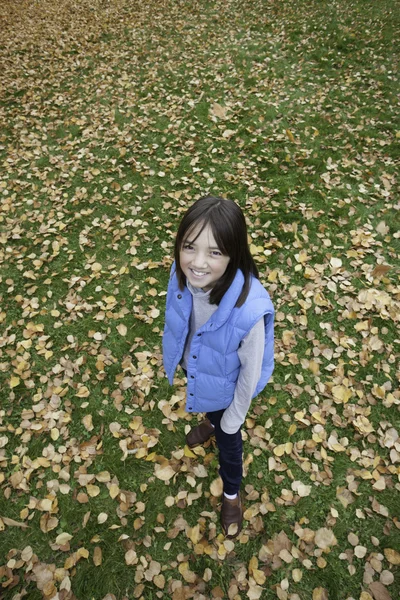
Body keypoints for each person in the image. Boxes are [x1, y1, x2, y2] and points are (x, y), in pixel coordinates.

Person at [163, 195, 274, 537]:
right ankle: (211, 421)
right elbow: (179, 319)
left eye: (214, 252)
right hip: (199, 370)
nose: (197, 263)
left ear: (233, 253)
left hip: (228, 391)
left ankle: (231, 494)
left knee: (230, 442)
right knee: (214, 414)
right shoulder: (181, 276)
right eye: (189, 247)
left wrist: (232, 418)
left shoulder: (248, 312)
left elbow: (249, 375)